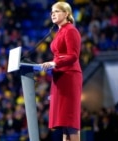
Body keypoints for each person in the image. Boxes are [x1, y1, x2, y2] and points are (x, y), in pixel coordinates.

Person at [41, 2, 82, 141]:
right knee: (64, 122)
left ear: (67, 14)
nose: (53, 13)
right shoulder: (59, 32)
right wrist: (52, 67)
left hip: (69, 76)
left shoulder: (71, 30)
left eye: (57, 11)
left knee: (70, 121)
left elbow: (73, 56)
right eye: (52, 11)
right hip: (60, 76)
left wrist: (54, 63)